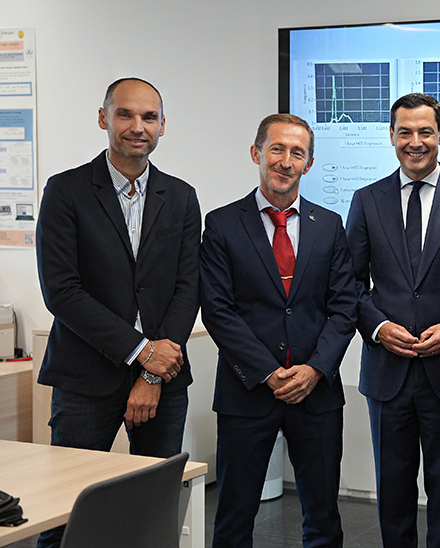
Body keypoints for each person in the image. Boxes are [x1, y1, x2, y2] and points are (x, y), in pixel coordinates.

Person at [35, 77, 200, 548]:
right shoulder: (66, 192)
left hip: (163, 381)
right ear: (103, 118)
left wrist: (151, 373)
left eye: (149, 117)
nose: (136, 126)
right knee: (66, 514)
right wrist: (141, 352)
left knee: (153, 515)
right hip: (85, 380)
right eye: (125, 114)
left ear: (162, 126)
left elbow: (188, 288)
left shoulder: (182, 197)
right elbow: (62, 292)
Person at [346, 93, 440, 548]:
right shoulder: (367, 200)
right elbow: (349, 284)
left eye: (425, 131)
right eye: (405, 132)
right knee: (392, 489)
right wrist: (376, 326)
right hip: (386, 370)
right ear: (391, 136)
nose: (416, 142)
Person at [200, 114, 357, 548]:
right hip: (247, 390)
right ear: (256, 153)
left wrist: (314, 370)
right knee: (234, 515)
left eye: (297, 153)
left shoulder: (329, 225)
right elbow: (217, 310)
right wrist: (269, 373)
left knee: (323, 515)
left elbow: (343, 307)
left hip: (317, 392)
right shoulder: (222, 224)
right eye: (276, 149)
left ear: (308, 164)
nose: (285, 161)